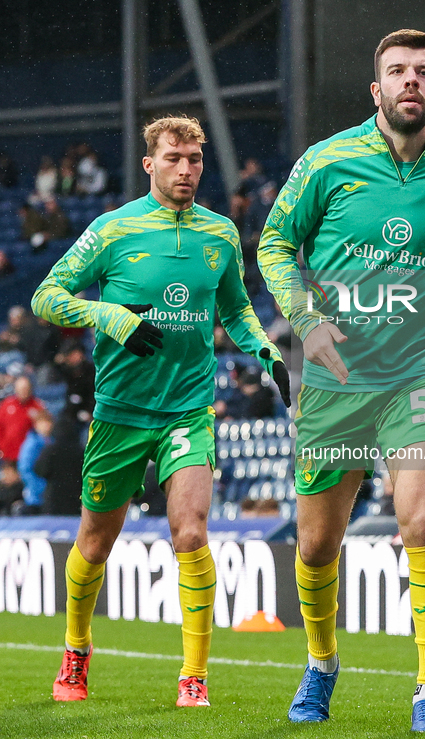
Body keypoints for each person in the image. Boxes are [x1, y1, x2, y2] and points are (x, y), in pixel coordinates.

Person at [258, 28, 425, 732]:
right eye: (396, 71)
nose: (409, 80)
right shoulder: (326, 162)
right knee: (317, 544)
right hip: (334, 380)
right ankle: (321, 663)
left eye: (422, 72)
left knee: (422, 519)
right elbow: (273, 244)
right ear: (374, 89)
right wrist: (304, 317)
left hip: (417, 375)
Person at [31, 115, 289, 708]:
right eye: (175, 158)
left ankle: (193, 675)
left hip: (188, 409)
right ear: (150, 164)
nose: (187, 169)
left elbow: (236, 311)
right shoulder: (112, 230)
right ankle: (76, 650)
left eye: (195, 159)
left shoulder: (221, 235)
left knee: (192, 533)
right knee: (94, 542)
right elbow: (48, 295)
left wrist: (267, 351)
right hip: (120, 411)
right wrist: (110, 317)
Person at [0, 375, 45, 465]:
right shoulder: (7, 404)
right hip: (6, 455)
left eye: (25, 388)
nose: (23, 391)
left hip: (27, 456)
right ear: (15, 389)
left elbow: (43, 430)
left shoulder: (37, 406)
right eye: (21, 388)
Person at [17, 410, 53, 514]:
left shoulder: (52, 442)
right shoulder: (31, 444)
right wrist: (39, 488)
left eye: (48, 422)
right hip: (35, 496)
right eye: (42, 422)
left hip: (49, 495)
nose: (46, 425)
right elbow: (25, 468)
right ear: (36, 425)